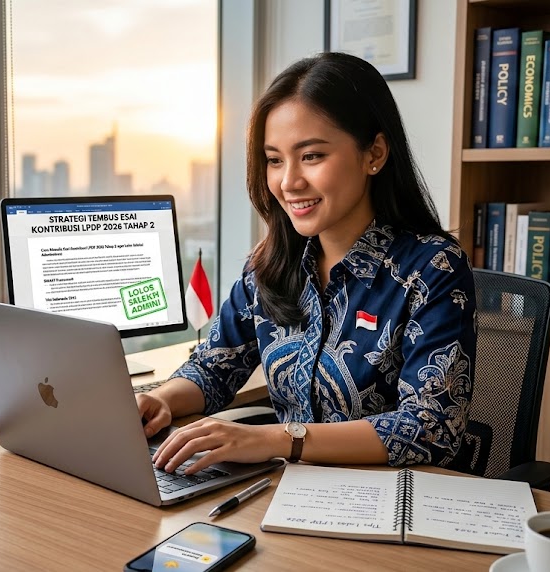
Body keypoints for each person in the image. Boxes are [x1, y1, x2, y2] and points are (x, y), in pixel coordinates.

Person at [138, 52, 476, 476]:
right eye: (275, 160)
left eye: (311, 156)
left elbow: (430, 428)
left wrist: (273, 440)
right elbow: (213, 366)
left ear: (374, 153)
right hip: (288, 497)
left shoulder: (432, 268)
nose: (288, 182)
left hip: (391, 506)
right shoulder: (271, 264)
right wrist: (164, 399)